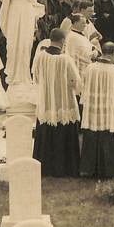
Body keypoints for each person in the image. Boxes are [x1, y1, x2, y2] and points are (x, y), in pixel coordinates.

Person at [33, 28, 82, 177]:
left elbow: (36, 77)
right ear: (62, 41)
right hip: (63, 102)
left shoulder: (40, 57)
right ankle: (65, 168)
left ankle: (45, 167)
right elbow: (75, 82)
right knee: (64, 126)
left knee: (46, 129)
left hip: (47, 102)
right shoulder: (65, 59)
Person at [79, 42, 114, 179]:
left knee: (92, 136)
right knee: (109, 134)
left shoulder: (89, 68)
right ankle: (109, 170)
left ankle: (89, 169)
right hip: (108, 113)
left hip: (92, 111)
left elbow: (82, 86)